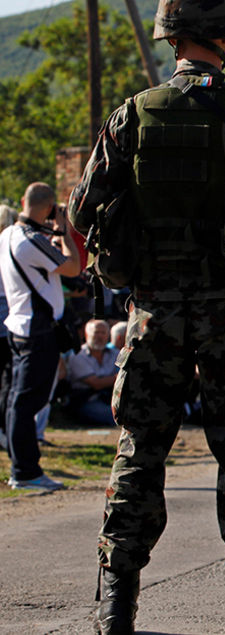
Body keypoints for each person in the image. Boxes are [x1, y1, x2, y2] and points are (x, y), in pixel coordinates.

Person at [69, 0, 225, 634]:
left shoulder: (133, 114)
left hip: (152, 315)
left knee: (139, 450)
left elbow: (81, 209)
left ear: (170, 35)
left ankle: (116, 605)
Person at [1, 182, 82, 491]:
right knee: (26, 402)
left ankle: (22, 467)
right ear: (49, 208)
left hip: (19, 326)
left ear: (23, 200)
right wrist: (66, 233)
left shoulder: (8, 234)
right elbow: (73, 268)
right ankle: (25, 471)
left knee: (15, 400)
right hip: (37, 330)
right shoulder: (31, 239)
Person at [66, 319, 119, 426]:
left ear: (108, 335)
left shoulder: (115, 354)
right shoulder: (78, 355)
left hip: (111, 398)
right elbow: (96, 384)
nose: (99, 336)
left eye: (103, 333)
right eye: (96, 332)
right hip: (86, 401)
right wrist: (119, 378)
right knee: (116, 415)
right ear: (86, 334)